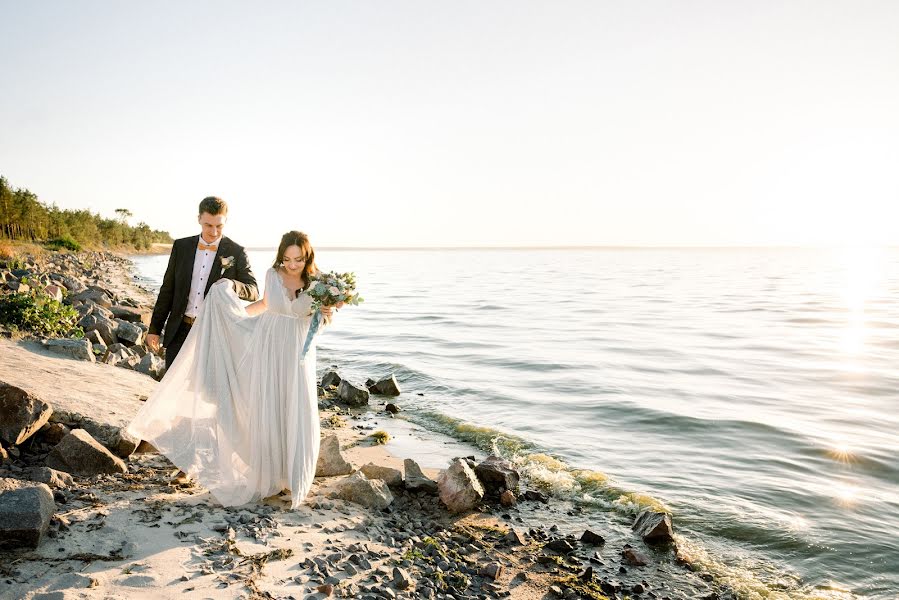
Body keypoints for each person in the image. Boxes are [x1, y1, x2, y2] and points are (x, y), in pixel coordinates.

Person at [128, 231, 334, 509]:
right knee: (269, 407)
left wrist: (328, 312)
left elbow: (320, 321)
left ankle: (293, 477)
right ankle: (273, 476)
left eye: (297, 259)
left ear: (307, 256)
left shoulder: (320, 284)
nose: (292, 265)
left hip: (296, 353)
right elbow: (265, 305)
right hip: (269, 346)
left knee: (296, 406)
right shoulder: (273, 274)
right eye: (287, 259)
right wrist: (230, 320)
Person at [147, 196, 259, 369]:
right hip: (179, 330)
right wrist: (154, 329)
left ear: (225, 221)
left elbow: (253, 291)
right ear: (199, 219)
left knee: (204, 393)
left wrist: (232, 284)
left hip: (214, 333)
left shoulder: (236, 252)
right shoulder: (181, 247)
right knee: (171, 387)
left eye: (219, 226)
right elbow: (167, 290)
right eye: (208, 225)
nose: (214, 232)